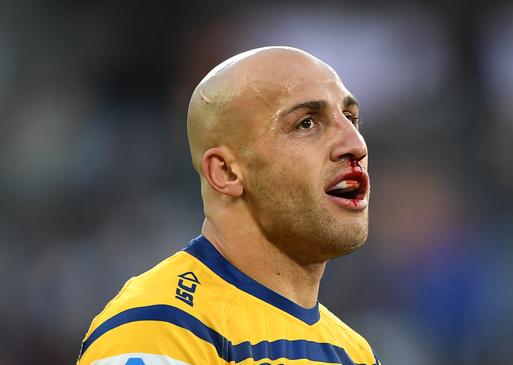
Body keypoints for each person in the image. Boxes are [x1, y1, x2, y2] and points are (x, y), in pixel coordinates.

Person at [77, 46, 380, 365]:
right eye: (306, 123)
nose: (355, 145)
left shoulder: (353, 352)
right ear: (226, 171)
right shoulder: (162, 329)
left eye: (350, 118)